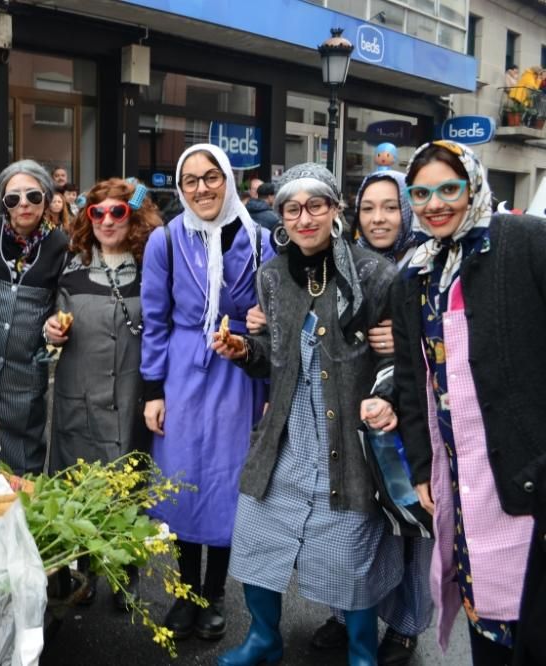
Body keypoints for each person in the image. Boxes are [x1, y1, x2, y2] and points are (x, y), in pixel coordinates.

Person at [213, 162, 402, 666]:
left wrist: (389, 378)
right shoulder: (272, 276)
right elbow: (272, 354)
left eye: (316, 206)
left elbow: (399, 355)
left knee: (350, 559)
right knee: (256, 539)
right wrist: (242, 350)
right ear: (281, 216)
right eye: (292, 209)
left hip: (349, 446)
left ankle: (362, 652)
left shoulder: (373, 274)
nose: (304, 218)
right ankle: (263, 639)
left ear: (336, 211)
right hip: (286, 440)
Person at [386, 140, 546, 666]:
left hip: (527, 476)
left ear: (473, 186)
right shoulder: (417, 274)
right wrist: (424, 466)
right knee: (486, 623)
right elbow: (412, 380)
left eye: (448, 189)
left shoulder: (525, 242)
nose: (435, 204)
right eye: (422, 192)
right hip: (462, 479)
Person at [140, 143, 273, 642]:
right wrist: (154, 390)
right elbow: (154, 320)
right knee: (179, 481)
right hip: (180, 369)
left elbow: (277, 308)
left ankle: (214, 594)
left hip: (238, 368)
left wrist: (261, 328)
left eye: (211, 177)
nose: (202, 188)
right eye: (191, 180)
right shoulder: (166, 242)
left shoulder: (261, 241)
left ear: (229, 180)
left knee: (224, 481)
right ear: (180, 187)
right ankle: (184, 591)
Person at [307, 168, 433, 666]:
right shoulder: (343, 263)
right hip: (353, 407)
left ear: (406, 209)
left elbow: (453, 338)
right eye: (368, 208)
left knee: (409, 524)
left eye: (390, 206)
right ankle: (346, 615)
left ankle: (406, 626)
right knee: (352, 520)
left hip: (413, 415)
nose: (378, 218)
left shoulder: (426, 261)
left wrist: (406, 342)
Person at [44, 177, 160, 608]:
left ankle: (126, 571)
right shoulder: (71, 274)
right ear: (86, 219)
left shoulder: (153, 274)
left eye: (118, 211)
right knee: (82, 485)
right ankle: (87, 571)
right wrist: (50, 332)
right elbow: (51, 325)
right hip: (80, 396)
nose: (107, 220)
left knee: (128, 486)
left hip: (131, 398)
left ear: (134, 219)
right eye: (97, 212)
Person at [0, 160, 69, 475]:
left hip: (25, 383)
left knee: (23, 471)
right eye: (13, 198)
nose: (23, 204)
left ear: (47, 198)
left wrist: (48, 348)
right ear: (3, 201)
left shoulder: (61, 246)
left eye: (33, 196)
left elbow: (65, 308)